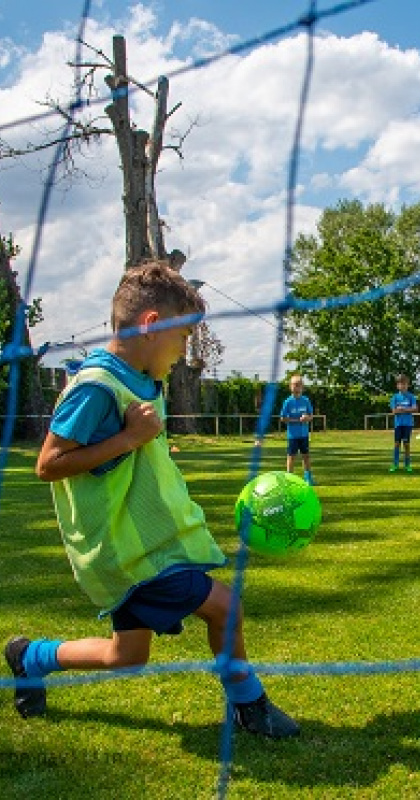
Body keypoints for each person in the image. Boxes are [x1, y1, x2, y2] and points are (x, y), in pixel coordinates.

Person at [4, 262, 299, 739]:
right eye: (182, 337)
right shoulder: (96, 386)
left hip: (152, 540)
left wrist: (142, 440)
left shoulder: (141, 381)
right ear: (151, 325)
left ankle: (29, 656)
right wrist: (131, 438)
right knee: (225, 607)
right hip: (131, 550)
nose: (184, 352)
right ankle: (250, 707)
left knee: (127, 657)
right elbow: (48, 464)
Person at [279, 375, 314, 485]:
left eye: (299, 385)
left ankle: (308, 477)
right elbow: (283, 418)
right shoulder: (287, 402)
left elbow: (311, 415)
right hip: (293, 435)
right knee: (291, 457)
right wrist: (296, 420)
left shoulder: (306, 400)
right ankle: (289, 478)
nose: (296, 387)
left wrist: (306, 418)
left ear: (302, 387)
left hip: (304, 434)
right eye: (294, 385)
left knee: (306, 456)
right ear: (290, 387)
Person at [389, 374, 417, 473]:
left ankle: (407, 465)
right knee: (397, 444)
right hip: (398, 424)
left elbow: (414, 409)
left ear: (408, 385)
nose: (403, 386)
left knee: (406, 444)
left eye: (405, 384)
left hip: (408, 424)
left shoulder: (411, 397)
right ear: (397, 386)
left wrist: (404, 409)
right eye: (401, 384)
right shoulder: (395, 398)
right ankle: (395, 464)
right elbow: (393, 411)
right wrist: (398, 409)